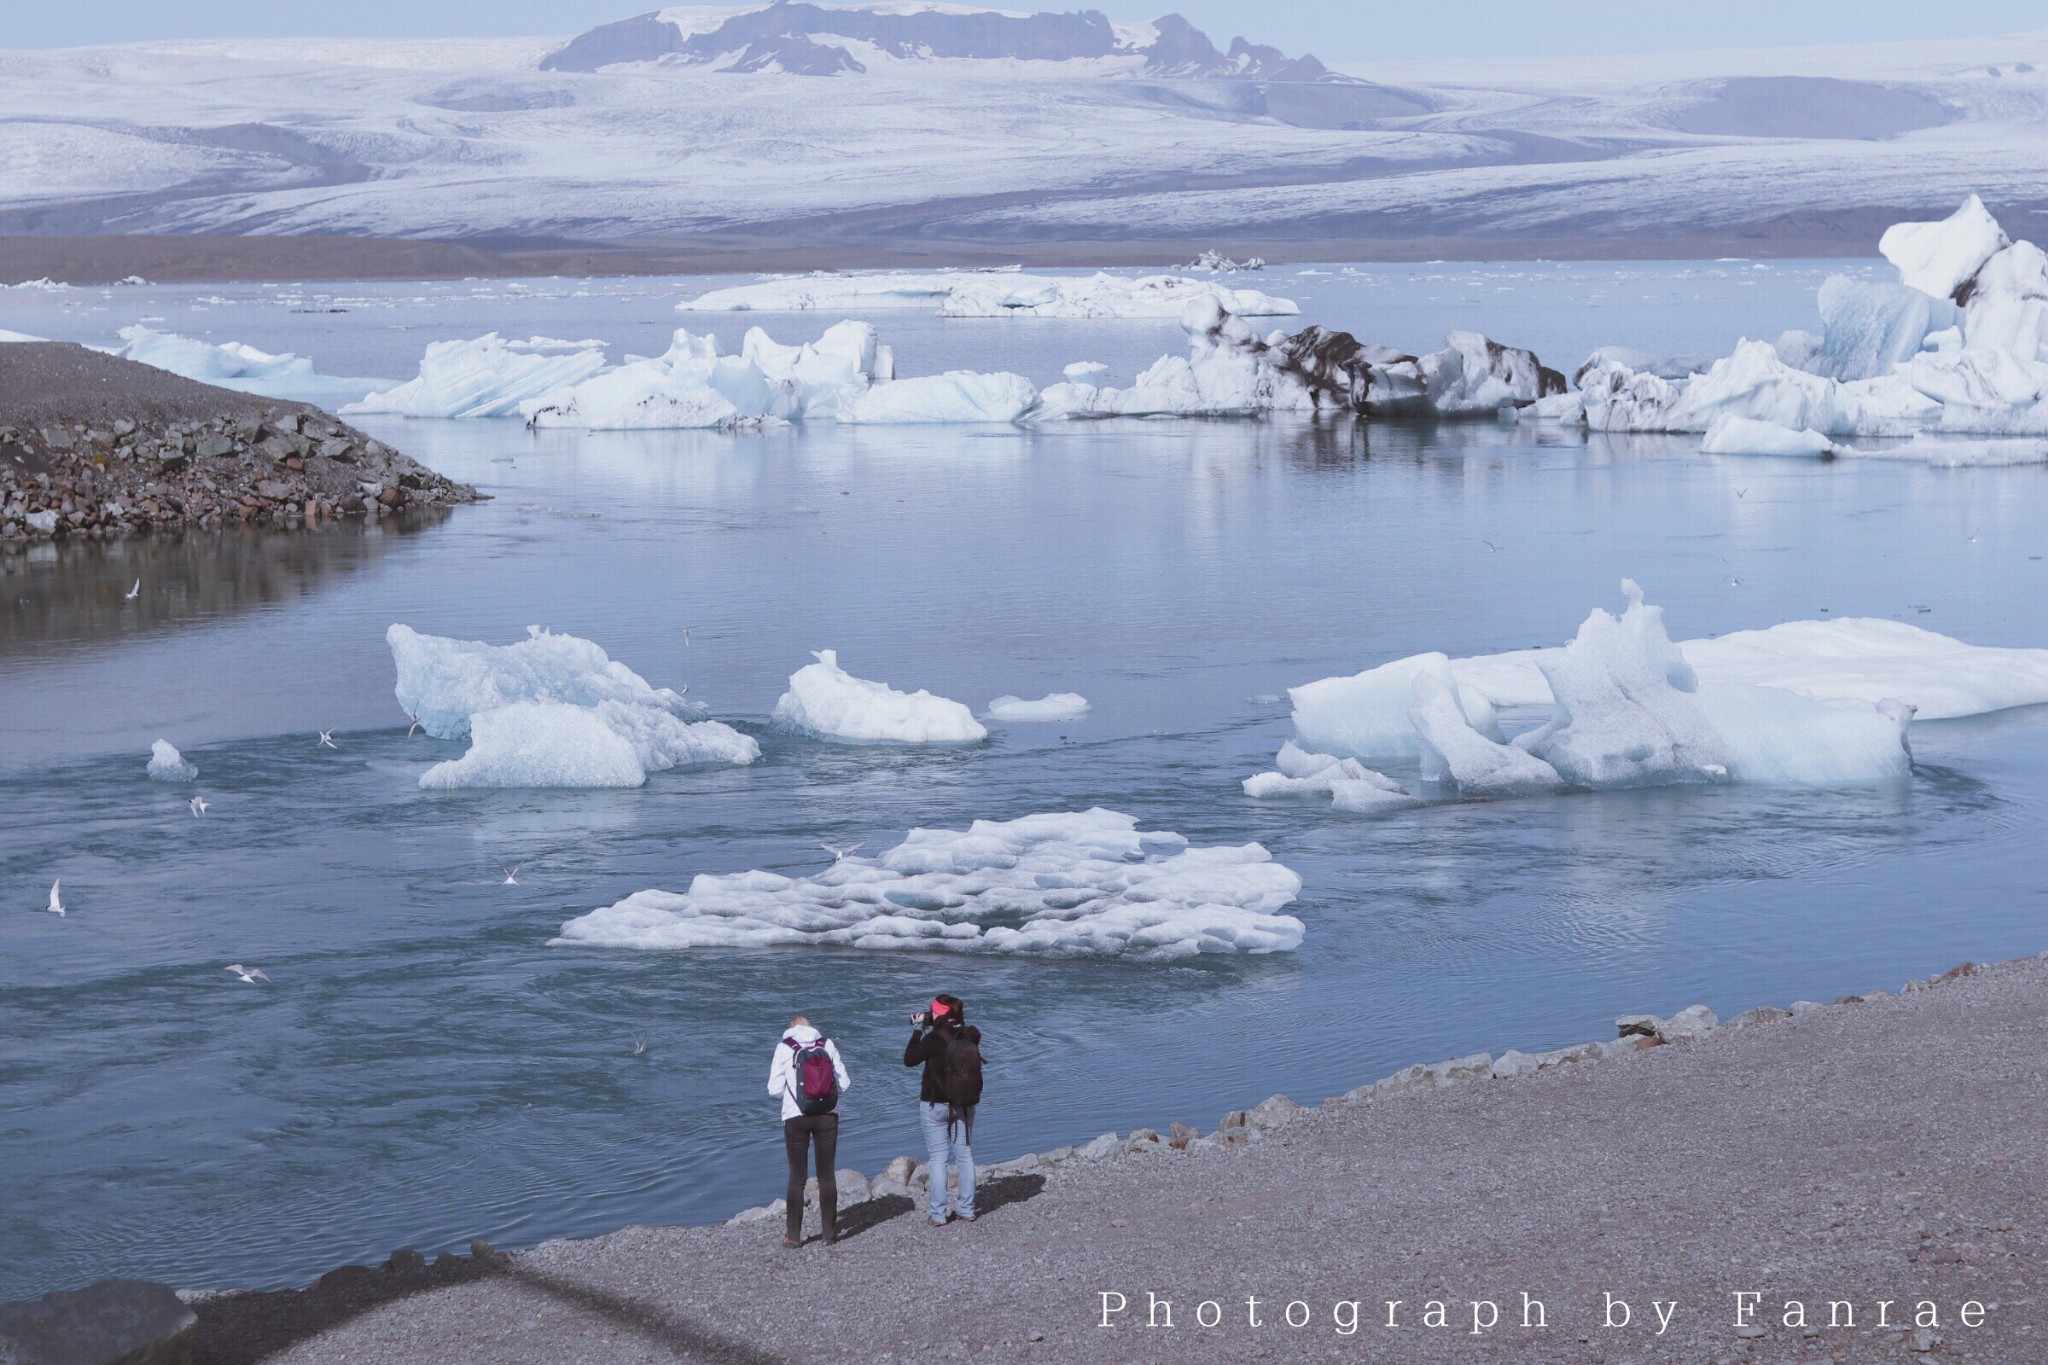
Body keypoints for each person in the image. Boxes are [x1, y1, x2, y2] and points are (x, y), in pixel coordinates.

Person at [767, 1014, 850, 1248]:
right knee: (826, 1176)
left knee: (797, 1177)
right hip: (827, 1115)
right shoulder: (827, 1044)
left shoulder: (784, 1048)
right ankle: (829, 1234)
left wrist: (796, 1097)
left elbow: (773, 1089)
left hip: (795, 1118)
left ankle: (793, 1236)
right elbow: (844, 1083)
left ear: (790, 1029)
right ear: (811, 1028)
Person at [903, 993, 982, 1226]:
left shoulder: (933, 1039)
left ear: (938, 1013)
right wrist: (933, 1021)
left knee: (938, 1158)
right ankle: (966, 1210)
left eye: (932, 1010)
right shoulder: (969, 1035)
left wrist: (918, 1028)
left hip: (935, 1104)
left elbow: (909, 1059)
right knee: (965, 1155)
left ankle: (938, 1214)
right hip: (965, 1103)